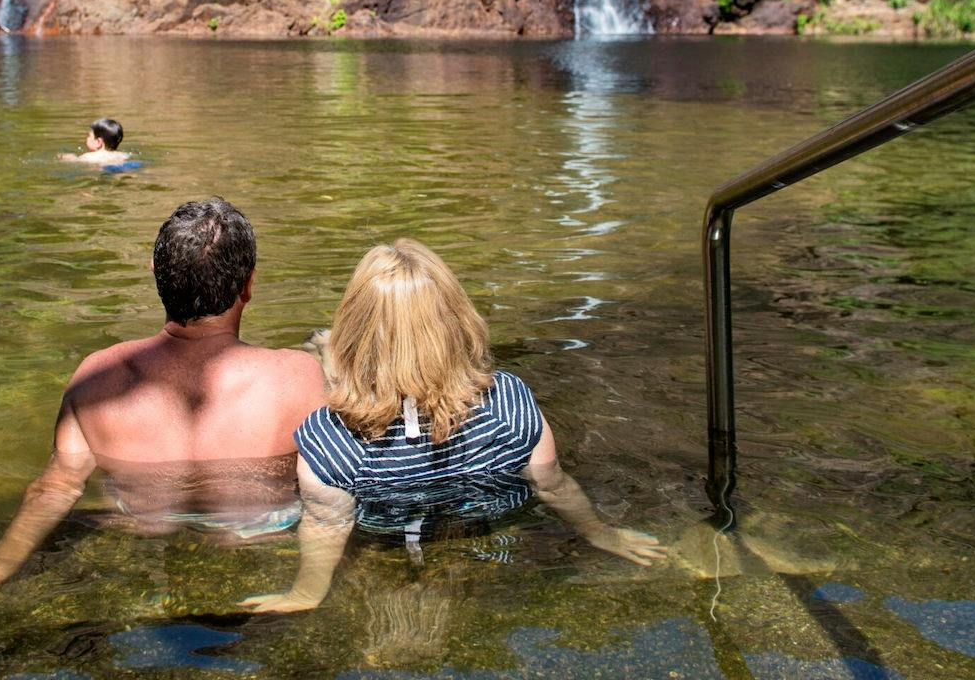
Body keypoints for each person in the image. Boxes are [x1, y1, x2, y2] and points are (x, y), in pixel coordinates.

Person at [0, 198, 326, 599]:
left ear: (156, 274)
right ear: (247, 286)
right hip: (261, 529)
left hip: (139, 524)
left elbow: (57, 485)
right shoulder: (300, 375)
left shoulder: (97, 376)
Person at [240, 239, 665, 614]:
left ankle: (333, 358)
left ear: (354, 332)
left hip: (379, 537)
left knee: (348, 393)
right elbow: (551, 485)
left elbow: (327, 525)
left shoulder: (328, 439)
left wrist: (305, 594)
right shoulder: (510, 404)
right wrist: (600, 533)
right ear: (458, 321)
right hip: (483, 525)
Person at [59, 118, 129, 165]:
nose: (87, 138)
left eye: (89, 136)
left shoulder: (88, 157)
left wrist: (66, 157)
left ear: (98, 142)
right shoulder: (123, 155)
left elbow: (74, 161)